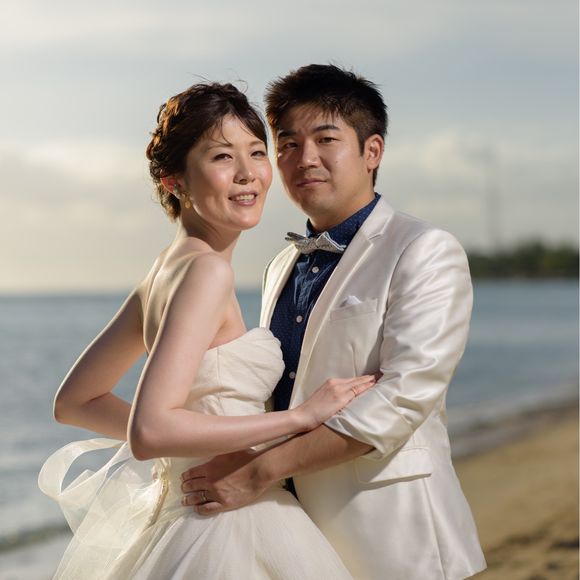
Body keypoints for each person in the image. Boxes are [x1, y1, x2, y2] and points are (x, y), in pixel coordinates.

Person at [38, 82, 378, 579]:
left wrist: (193, 450)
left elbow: (76, 402)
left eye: (256, 152)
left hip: (193, 510)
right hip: (231, 525)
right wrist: (297, 419)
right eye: (222, 156)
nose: (248, 174)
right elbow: (151, 430)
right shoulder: (206, 272)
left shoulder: (165, 270)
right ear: (174, 180)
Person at [180, 64, 488, 579]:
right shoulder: (281, 266)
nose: (305, 158)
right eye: (288, 143)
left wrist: (257, 472)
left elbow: (401, 398)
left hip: (391, 531)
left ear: (372, 152)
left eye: (326, 140)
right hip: (293, 533)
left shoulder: (424, 249)